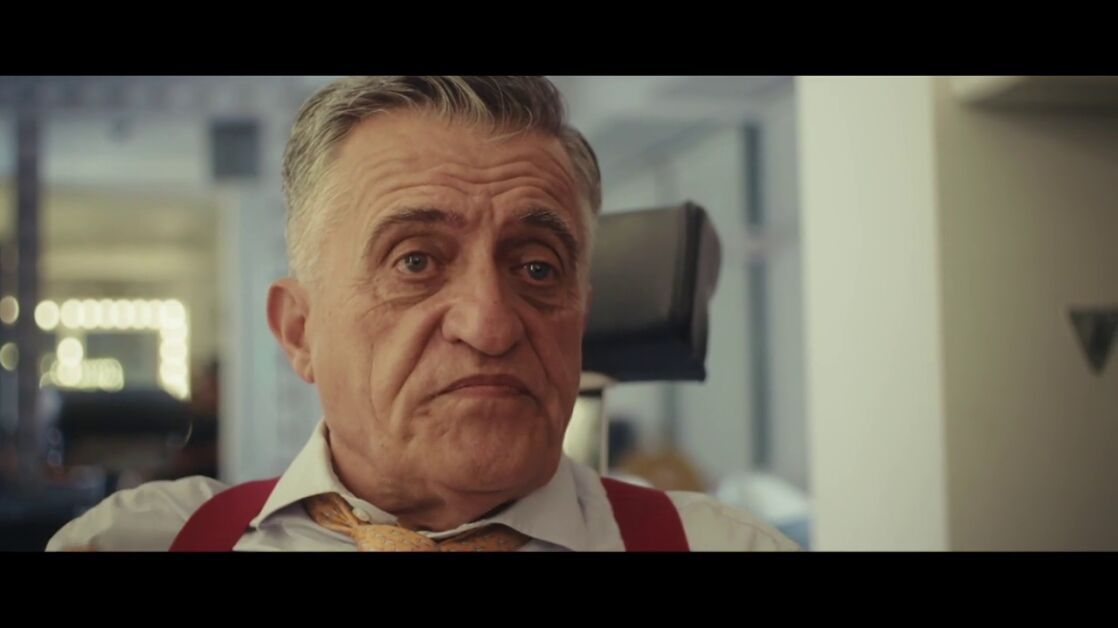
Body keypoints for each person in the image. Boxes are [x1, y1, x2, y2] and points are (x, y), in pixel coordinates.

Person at [47, 76, 798, 552]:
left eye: (538, 268)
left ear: (580, 316)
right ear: (299, 330)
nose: (490, 325)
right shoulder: (140, 541)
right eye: (415, 262)